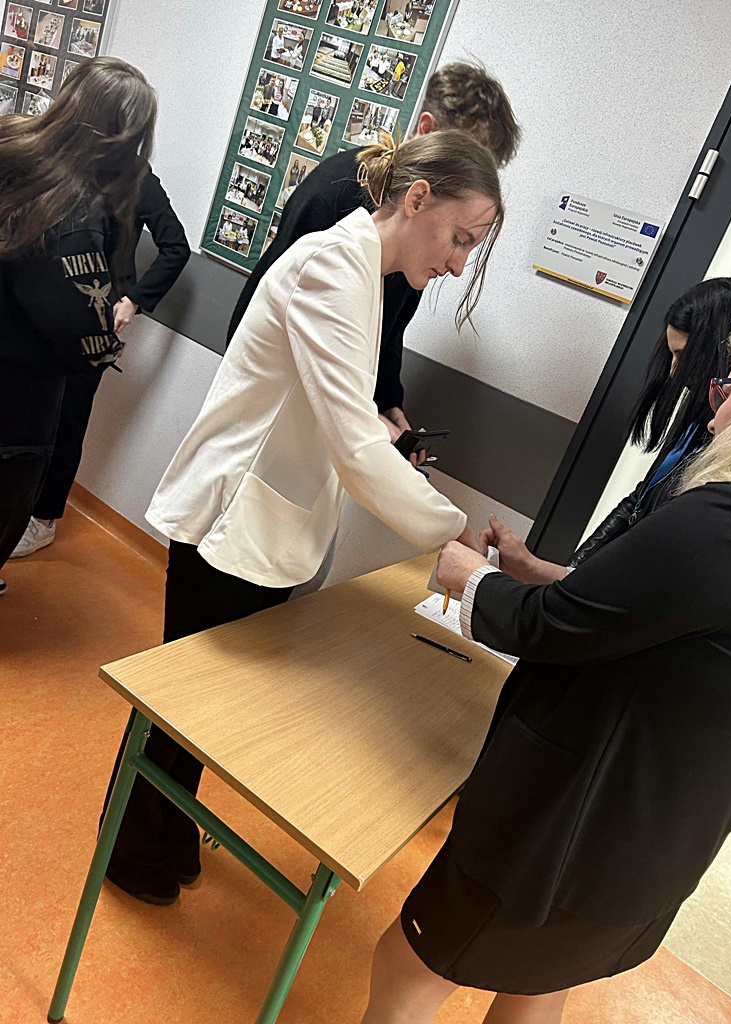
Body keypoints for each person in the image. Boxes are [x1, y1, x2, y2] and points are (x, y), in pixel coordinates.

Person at [103, 128, 504, 906]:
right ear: (418, 199)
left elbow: (342, 408)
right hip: (230, 523)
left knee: (205, 707)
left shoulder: (363, 273)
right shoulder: (333, 267)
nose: (459, 265)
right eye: (460, 238)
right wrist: (453, 532)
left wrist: (388, 436)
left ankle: (165, 832)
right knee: (179, 701)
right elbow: (353, 444)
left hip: (265, 524)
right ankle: (129, 848)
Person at [362, 319, 731, 1023]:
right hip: (656, 840)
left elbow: (552, 626)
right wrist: (530, 569)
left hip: (570, 835)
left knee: (407, 969)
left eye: (726, 388)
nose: (712, 408)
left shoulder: (728, 522)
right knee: (537, 985)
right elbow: (643, 610)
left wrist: (471, 576)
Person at [228, 60, 520, 480]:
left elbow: (388, 329)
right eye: (465, 161)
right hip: (267, 417)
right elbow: (265, 320)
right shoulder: (336, 193)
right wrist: (367, 421)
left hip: (327, 435)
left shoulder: (428, 236)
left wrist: (389, 405)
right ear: (426, 130)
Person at [490, 277, 731, 585]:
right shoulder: (696, 417)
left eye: (683, 355)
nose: (673, 371)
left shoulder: (730, 458)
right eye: (671, 354)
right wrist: (570, 573)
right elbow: (640, 499)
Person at [0, 56, 157, 596]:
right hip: (16, 407)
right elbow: (80, 335)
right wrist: (105, 341)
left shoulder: (9, 142)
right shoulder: (71, 207)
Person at [10, 168, 190, 559]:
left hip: (92, 321)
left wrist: (133, 299)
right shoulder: (66, 164)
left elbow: (176, 247)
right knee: (25, 412)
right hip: (45, 308)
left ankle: (42, 520)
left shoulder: (138, 179)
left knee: (68, 422)